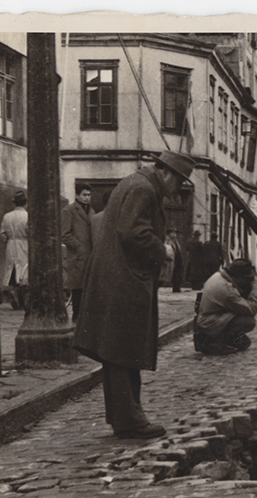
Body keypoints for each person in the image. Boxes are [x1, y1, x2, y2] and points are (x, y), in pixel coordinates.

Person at [73, 150, 196, 440]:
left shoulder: (135, 183)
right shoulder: (143, 189)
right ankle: (130, 420)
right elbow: (133, 233)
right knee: (122, 349)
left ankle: (125, 416)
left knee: (118, 350)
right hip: (124, 281)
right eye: (178, 183)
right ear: (167, 173)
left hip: (116, 277)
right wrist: (162, 250)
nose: (176, 191)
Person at [194, 258, 257, 356]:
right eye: (246, 279)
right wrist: (255, 288)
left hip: (207, 318)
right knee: (248, 322)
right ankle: (218, 342)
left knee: (244, 342)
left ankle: (222, 340)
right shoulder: (228, 291)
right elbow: (251, 309)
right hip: (210, 323)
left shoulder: (218, 276)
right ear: (238, 278)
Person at [61, 183, 94, 322]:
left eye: (89, 195)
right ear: (77, 195)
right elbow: (64, 234)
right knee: (77, 289)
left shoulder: (92, 211)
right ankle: (76, 316)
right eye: (84, 195)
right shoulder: (68, 211)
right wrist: (78, 246)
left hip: (90, 256)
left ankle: (86, 317)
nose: (87, 198)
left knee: (89, 287)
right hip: (76, 256)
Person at [0, 190, 28, 310]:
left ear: (15, 203)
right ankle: (21, 301)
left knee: (13, 270)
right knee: (24, 272)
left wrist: (9, 240)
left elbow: (2, 234)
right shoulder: (27, 216)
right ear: (25, 203)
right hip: (24, 244)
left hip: (11, 245)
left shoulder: (7, 216)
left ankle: (12, 291)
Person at [167, 227, 183, 293]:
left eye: (175, 233)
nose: (174, 234)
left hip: (177, 259)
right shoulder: (168, 240)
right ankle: (175, 287)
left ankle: (176, 287)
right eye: (173, 233)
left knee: (177, 273)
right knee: (173, 273)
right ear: (169, 234)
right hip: (172, 259)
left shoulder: (176, 241)